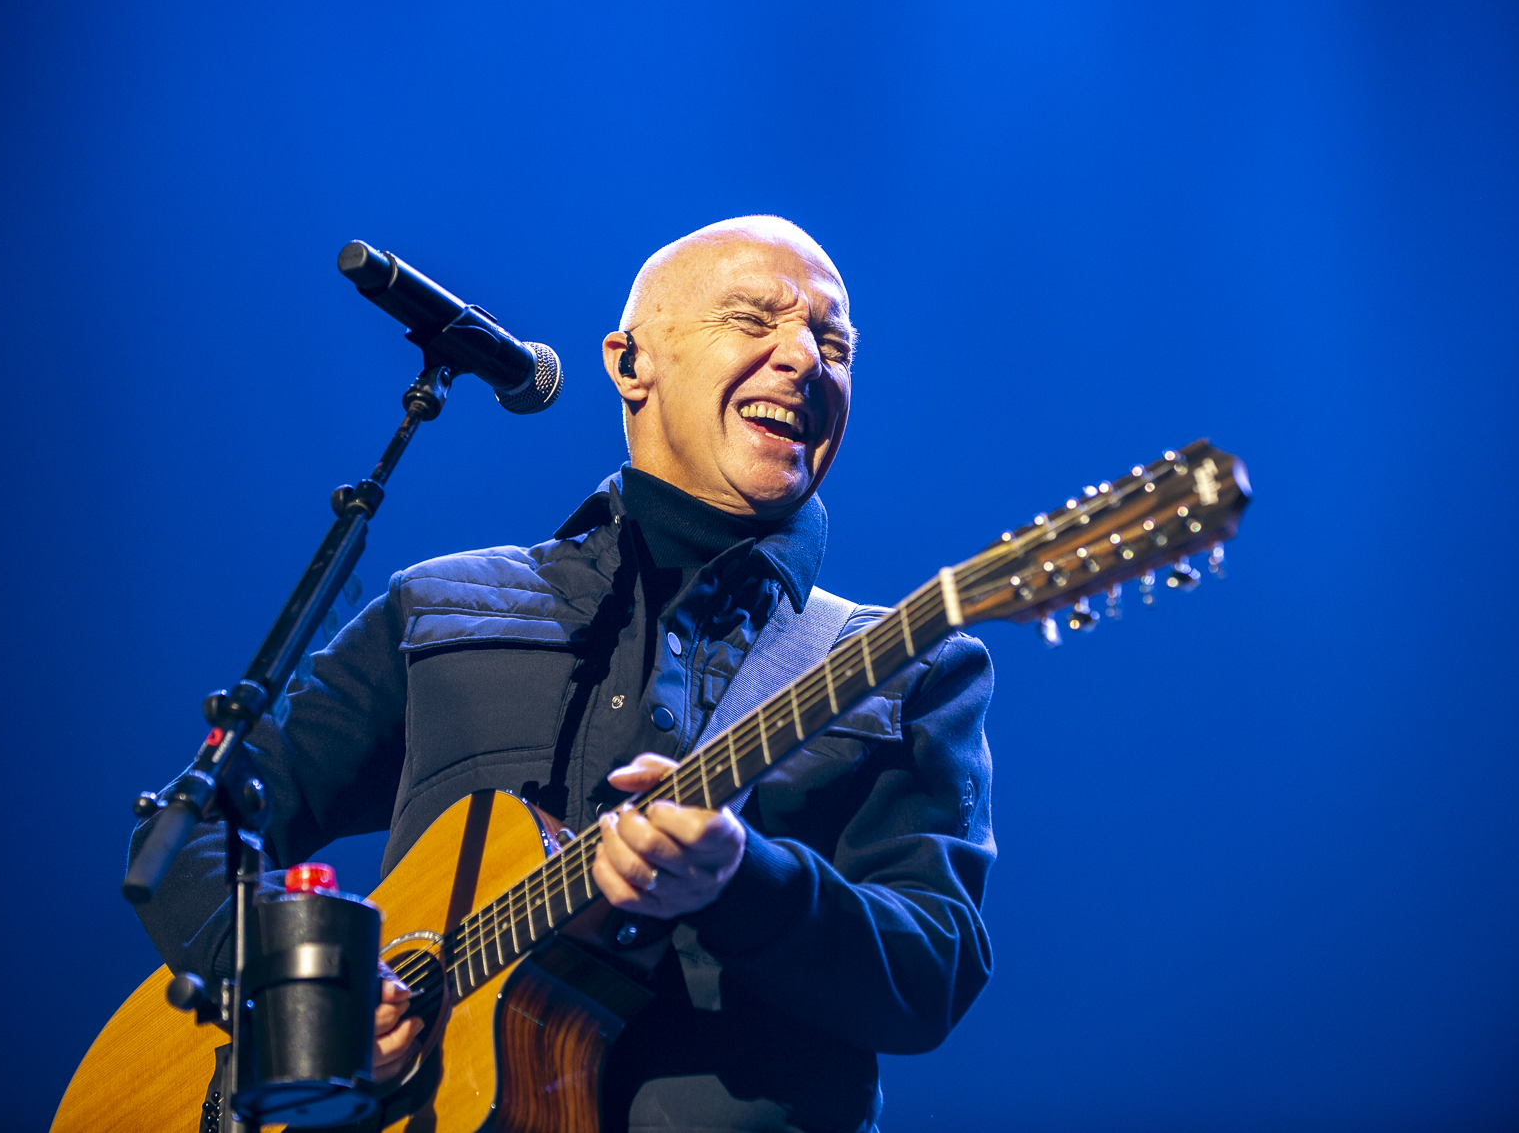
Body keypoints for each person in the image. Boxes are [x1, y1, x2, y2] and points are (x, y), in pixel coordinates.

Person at [131, 215, 997, 1133]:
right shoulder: (441, 609)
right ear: (630, 364)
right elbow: (193, 832)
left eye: (835, 344)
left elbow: (932, 972)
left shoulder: (905, 668)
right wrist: (308, 993)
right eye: (754, 319)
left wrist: (746, 883)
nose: (804, 359)